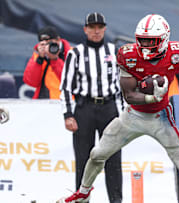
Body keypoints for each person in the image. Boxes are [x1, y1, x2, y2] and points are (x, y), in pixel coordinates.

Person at [59, 14, 179, 203]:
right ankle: (83, 193)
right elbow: (128, 95)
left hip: (161, 117)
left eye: (150, 41)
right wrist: (152, 96)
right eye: (142, 40)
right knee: (96, 155)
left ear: (163, 39)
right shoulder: (128, 55)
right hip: (133, 116)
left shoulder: (176, 53)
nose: (145, 45)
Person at [59, 12, 123, 203]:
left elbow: (122, 85)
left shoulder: (114, 52)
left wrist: (122, 113)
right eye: (92, 27)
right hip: (84, 108)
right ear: (85, 29)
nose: (96, 31)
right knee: (84, 159)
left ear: (104, 29)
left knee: (113, 158)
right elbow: (66, 87)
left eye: (99, 27)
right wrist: (68, 114)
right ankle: (82, 199)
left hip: (109, 108)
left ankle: (116, 200)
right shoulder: (75, 53)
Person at [23, 26, 71, 99]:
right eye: (44, 44)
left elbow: (71, 81)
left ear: (58, 40)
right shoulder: (38, 55)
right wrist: (40, 59)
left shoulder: (72, 53)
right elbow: (31, 82)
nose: (47, 46)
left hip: (67, 102)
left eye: (50, 43)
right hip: (43, 103)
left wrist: (54, 59)